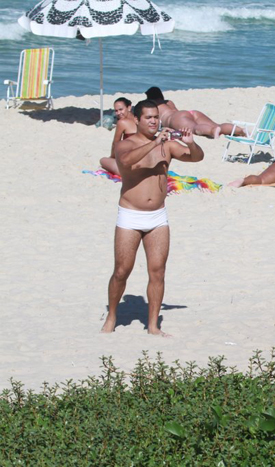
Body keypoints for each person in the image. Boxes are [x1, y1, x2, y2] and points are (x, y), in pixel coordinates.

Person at [100, 100, 205, 336]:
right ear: (136, 120)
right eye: (148, 117)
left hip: (157, 217)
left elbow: (196, 157)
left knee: (157, 271)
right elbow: (126, 162)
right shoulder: (126, 144)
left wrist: (191, 143)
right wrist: (155, 142)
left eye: (156, 117)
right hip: (130, 216)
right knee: (121, 271)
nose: (153, 121)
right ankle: (112, 315)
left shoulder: (167, 146)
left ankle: (153, 326)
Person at [144, 86, 243, 139]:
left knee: (195, 128)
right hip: (189, 113)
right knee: (218, 125)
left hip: (176, 118)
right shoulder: (169, 102)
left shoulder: (152, 104)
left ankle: (212, 131)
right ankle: (241, 131)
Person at [100, 97, 137, 175]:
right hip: (143, 161)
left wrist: (112, 157)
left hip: (130, 166)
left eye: (121, 109)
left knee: (103, 160)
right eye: (116, 111)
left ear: (129, 107)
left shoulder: (122, 122)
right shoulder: (140, 120)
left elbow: (115, 144)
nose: (118, 113)